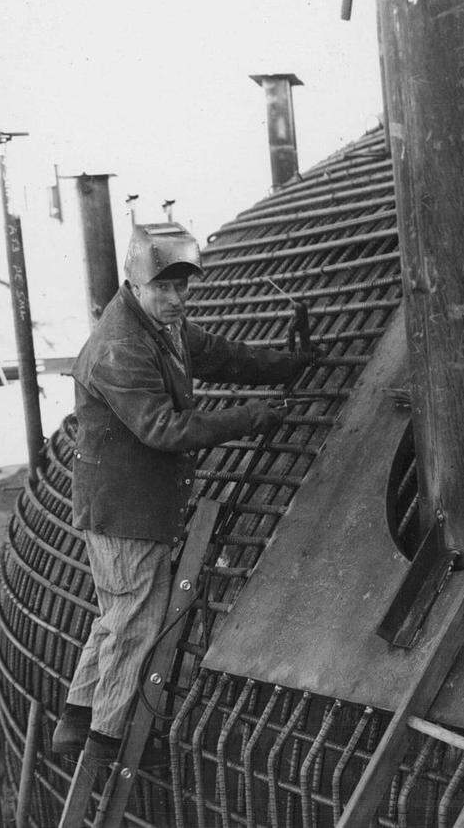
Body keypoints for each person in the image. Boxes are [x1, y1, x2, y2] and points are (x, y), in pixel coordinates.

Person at [51, 222, 313, 766]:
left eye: (182, 286)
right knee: (137, 619)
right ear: (135, 283)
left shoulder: (157, 325)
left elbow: (218, 355)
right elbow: (163, 428)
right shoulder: (121, 347)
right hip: (126, 507)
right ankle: (107, 739)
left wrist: (287, 365)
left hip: (126, 501)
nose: (176, 298)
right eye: (164, 287)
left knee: (118, 613)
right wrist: (247, 418)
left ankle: (76, 722)